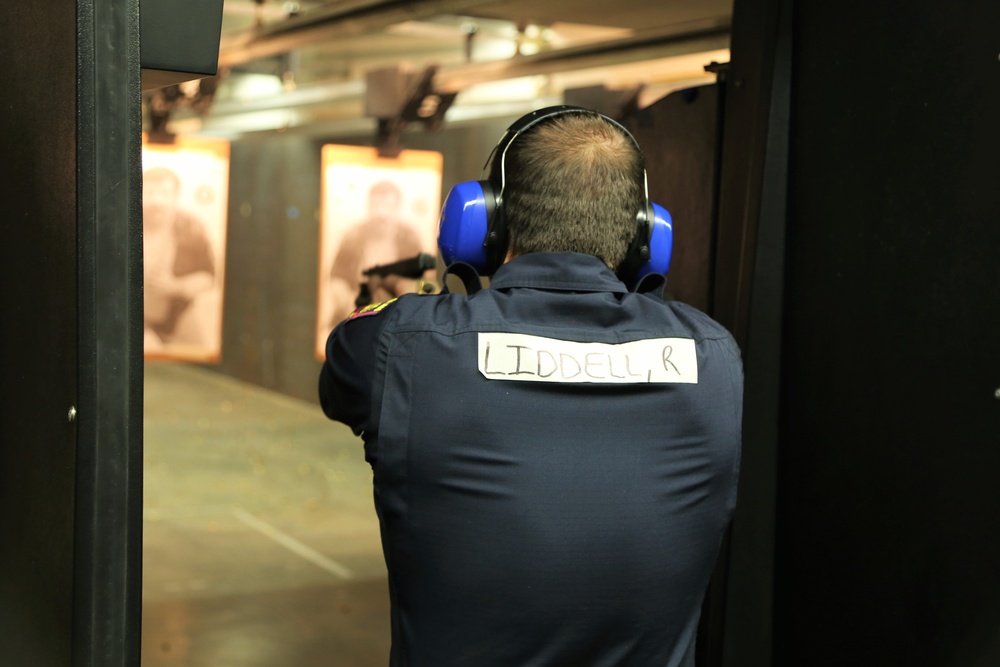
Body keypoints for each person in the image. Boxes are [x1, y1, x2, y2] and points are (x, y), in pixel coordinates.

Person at [318, 107, 743, 667]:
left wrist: (411, 303)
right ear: (645, 233)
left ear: (482, 224)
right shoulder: (713, 354)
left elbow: (347, 369)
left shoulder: (400, 340)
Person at [326, 179, 425, 329]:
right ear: (369, 206)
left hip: (395, 323)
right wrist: (350, 304)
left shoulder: (410, 239)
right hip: (354, 318)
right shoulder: (352, 237)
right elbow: (337, 279)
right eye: (377, 205)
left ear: (397, 208)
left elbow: (421, 282)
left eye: (388, 206)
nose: (382, 214)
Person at [142, 166, 216, 349]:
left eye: (165, 193)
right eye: (150, 192)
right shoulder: (120, 223)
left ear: (175, 197)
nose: (157, 201)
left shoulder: (191, 228)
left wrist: (175, 287)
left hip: (174, 323)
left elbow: (208, 277)